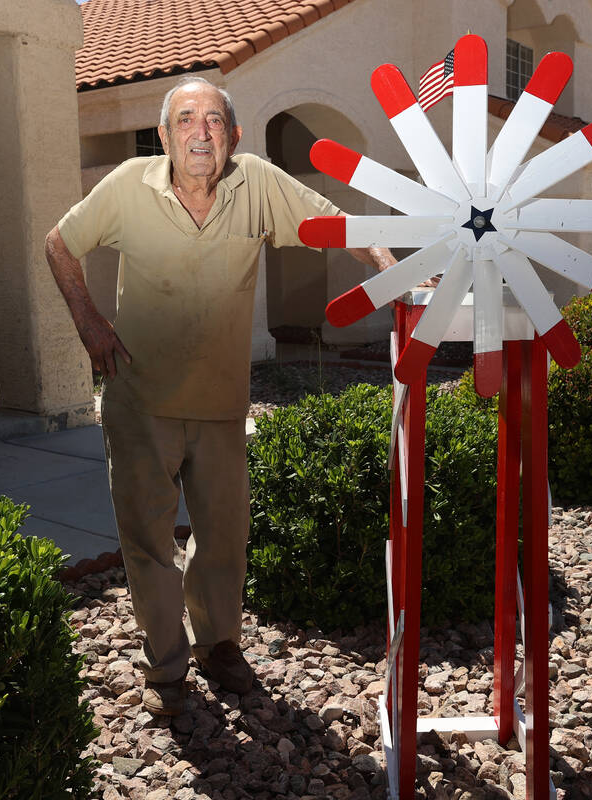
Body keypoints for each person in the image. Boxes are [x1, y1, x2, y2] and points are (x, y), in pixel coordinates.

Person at [44, 76, 395, 716]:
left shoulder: (256, 181)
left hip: (222, 403)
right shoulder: (128, 184)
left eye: (213, 119)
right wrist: (91, 325)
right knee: (148, 539)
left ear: (232, 135)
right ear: (164, 135)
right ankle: (166, 660)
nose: (199, 131)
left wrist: (388, 264)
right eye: (185, 119)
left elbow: (331, 222)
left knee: (224, 536)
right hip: (141, 401)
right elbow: (59, 244)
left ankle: (220, 645)